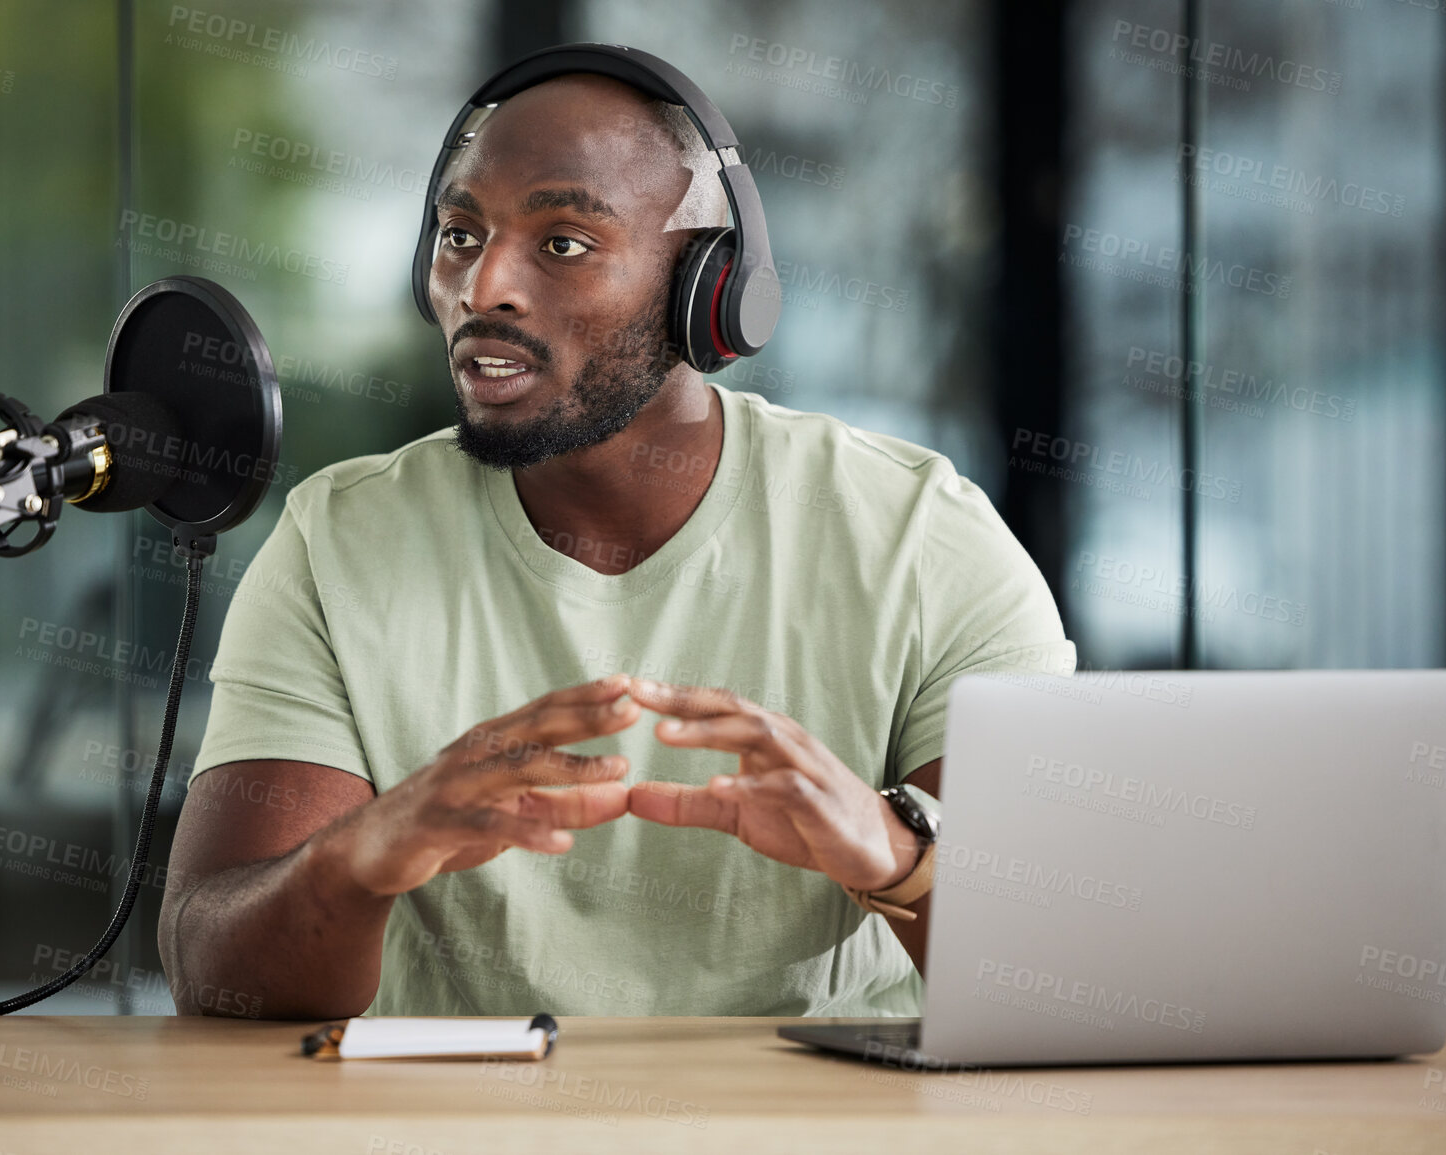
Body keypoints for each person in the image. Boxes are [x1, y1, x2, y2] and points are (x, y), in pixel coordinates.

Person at [156, 61, 1074, 1021]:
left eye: (561, 241)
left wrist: (893, 856)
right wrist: (359, 857)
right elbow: (214, 975)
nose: (483, 285)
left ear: (707, 286)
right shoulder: (336, 541)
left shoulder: (919, 536)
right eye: (459, 235)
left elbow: (1067, 970)